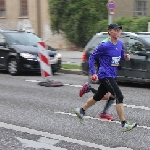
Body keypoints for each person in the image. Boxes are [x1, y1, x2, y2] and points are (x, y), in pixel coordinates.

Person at [74, 23, 137, 132]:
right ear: (110, 32)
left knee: (98, 96)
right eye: (116, 30)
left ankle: (81, 110)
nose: (118, 32)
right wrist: (93, 72)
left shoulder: (120, 44)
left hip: (112, 74)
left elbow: (120, 55)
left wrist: (126, 57)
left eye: (119, 30)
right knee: (119, 96)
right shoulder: (104, 45)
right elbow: (92, 57)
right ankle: (123, 124)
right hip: (104, 74)